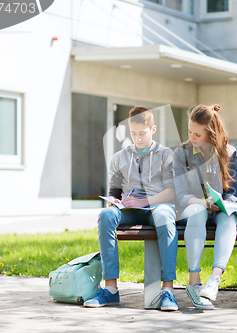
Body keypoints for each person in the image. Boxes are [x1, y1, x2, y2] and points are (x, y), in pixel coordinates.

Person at [84, 107, 178, 311]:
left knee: (164, 215)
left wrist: (143, 202)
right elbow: (114, 191)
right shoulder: (120, 157)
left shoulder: (166, 155)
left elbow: (171, 193)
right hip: (130, 210)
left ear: (152, 129)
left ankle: (168, 291)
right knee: (106, 215)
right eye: (133, 134)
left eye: (142, 133)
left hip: (158, 207)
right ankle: (110, 290)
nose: (138, 139)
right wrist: (114, 201)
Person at [173, 104, 237, 310]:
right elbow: (181, 194)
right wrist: (203, 202)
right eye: (190, 132)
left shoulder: (228, 152)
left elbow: (232, 190)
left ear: (211, 134)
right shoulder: (181, 154)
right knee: (198, 212)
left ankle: (214, 279)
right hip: (193, 208)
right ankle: (194, 282)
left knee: (229, 218)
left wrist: (226, 203)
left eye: (197, 134)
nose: (192, 137)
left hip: (219, 210)